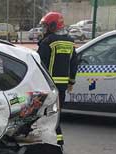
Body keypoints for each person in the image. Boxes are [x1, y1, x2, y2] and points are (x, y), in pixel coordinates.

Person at [37, 11, 78, 146]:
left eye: (45, 26)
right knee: (56, 113)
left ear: (53, 26)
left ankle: (48, 142)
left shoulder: (47, 42)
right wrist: (71, 81)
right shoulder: (70, 42)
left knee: (45, 114)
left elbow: (40, 64)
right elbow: (74, 63)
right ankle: (59, 141)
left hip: (47, 85)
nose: (43, 29)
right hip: (62, 87)